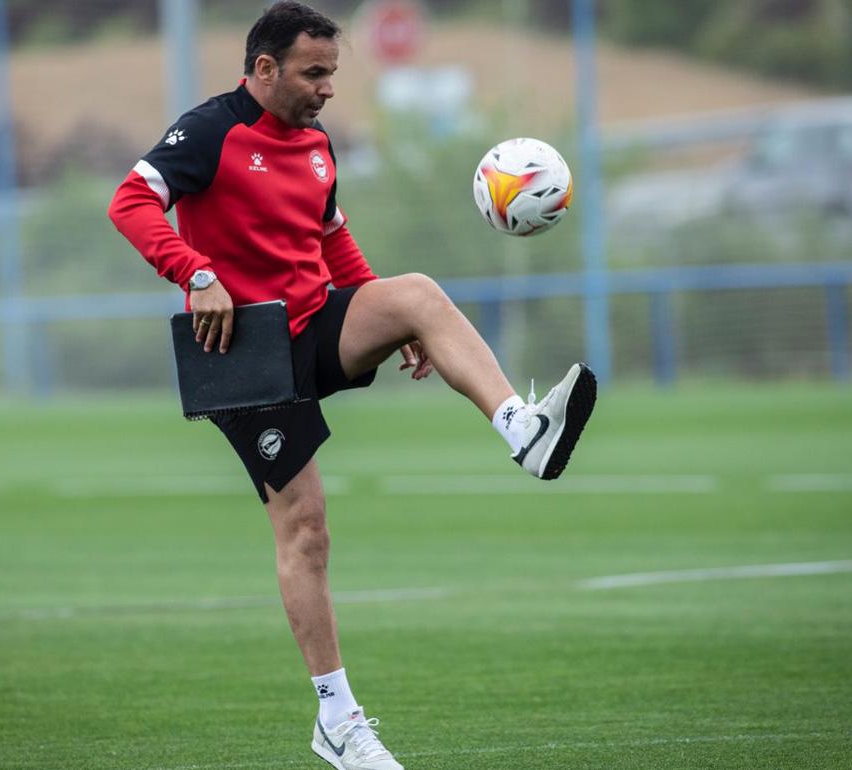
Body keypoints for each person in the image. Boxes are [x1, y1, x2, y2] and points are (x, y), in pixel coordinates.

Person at [109, 3, 596, 768]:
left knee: (419, 295)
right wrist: (195, 272)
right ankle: (338, 722)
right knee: (306, 529)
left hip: (313, 325)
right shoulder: (209, 132)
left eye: (333, 73)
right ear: (264, 69)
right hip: (243, 352)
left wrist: (392, 321)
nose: (328, 88)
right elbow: (130, 203)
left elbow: (331, 239)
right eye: (314, 72)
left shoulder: (316, 145)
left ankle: (522, 429)